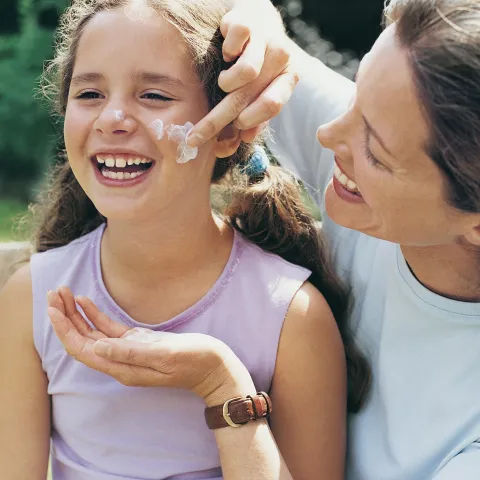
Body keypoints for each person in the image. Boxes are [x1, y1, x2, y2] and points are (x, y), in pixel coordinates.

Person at [44, 0, 480, 479]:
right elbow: (196, 33)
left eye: (374, 151)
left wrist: (226, 393)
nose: (327, 132)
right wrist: (255, 20)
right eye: (354, 101)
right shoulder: (393, 117)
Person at [0, 0, 372, 479]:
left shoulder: (292, 317)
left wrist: (224, 389)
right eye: (89, 93)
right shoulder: (31, 299)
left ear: (227, 133)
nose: (112, 117)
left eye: (153, 95)